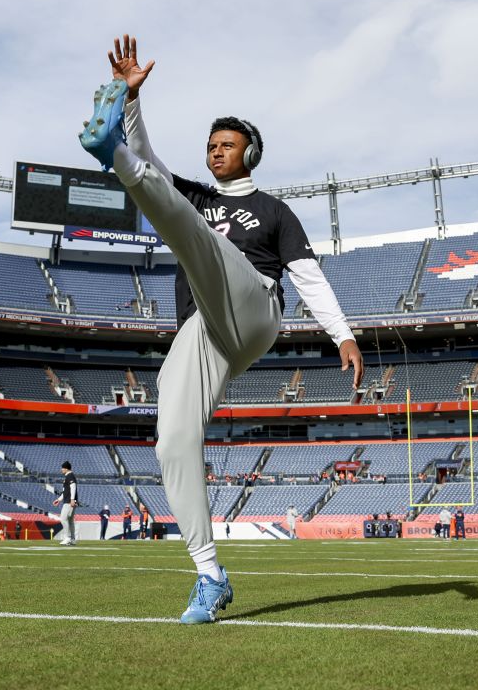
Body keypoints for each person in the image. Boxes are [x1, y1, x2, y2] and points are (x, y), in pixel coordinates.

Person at [79, 35, 362, 624]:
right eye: (210, 145)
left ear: (250, 154)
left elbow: (306, 275)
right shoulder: (195, 196)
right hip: (203, 330)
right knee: (170, 441)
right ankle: (209, 574)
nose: (215, 153)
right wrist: (131, 102)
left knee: (195, 235)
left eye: (226, 146)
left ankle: (112, 157)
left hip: (255, 308)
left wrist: (342, 333)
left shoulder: (273, 211)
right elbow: (156, 173)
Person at [52, 461, 79, 546]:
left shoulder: (70, 476)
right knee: (70, 521)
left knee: (63, 519)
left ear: (66, 468)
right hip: (69, 500)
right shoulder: (68, 476)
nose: (61, 470)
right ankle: (73, 539)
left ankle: (67, 537)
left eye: (62, 468)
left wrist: (72, 499)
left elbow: (73, 487)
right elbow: (65, 492)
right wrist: (59, 500)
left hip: (69, 502)